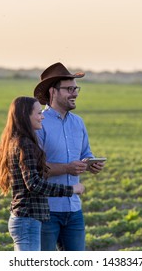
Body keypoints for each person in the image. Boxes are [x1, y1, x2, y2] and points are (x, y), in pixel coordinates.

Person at [0, 96, 85, 251]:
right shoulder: (26, 145)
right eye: (38, 113)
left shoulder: (12, 140)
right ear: (25, 116)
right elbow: (34, 184)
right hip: (28, 219)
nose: (42, 116)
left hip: (21, 217)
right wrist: (71, 190)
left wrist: (17, 183)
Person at [33, 62, 105, 251]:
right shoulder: (39, 123)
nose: (75, 93)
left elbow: (85, 154)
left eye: (76, 88)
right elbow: (34, 168)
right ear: (52, 92)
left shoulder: (78, 122)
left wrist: (91, 164)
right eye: (69, 89)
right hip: (46, 210)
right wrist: (67, 168)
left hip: (74, 209)